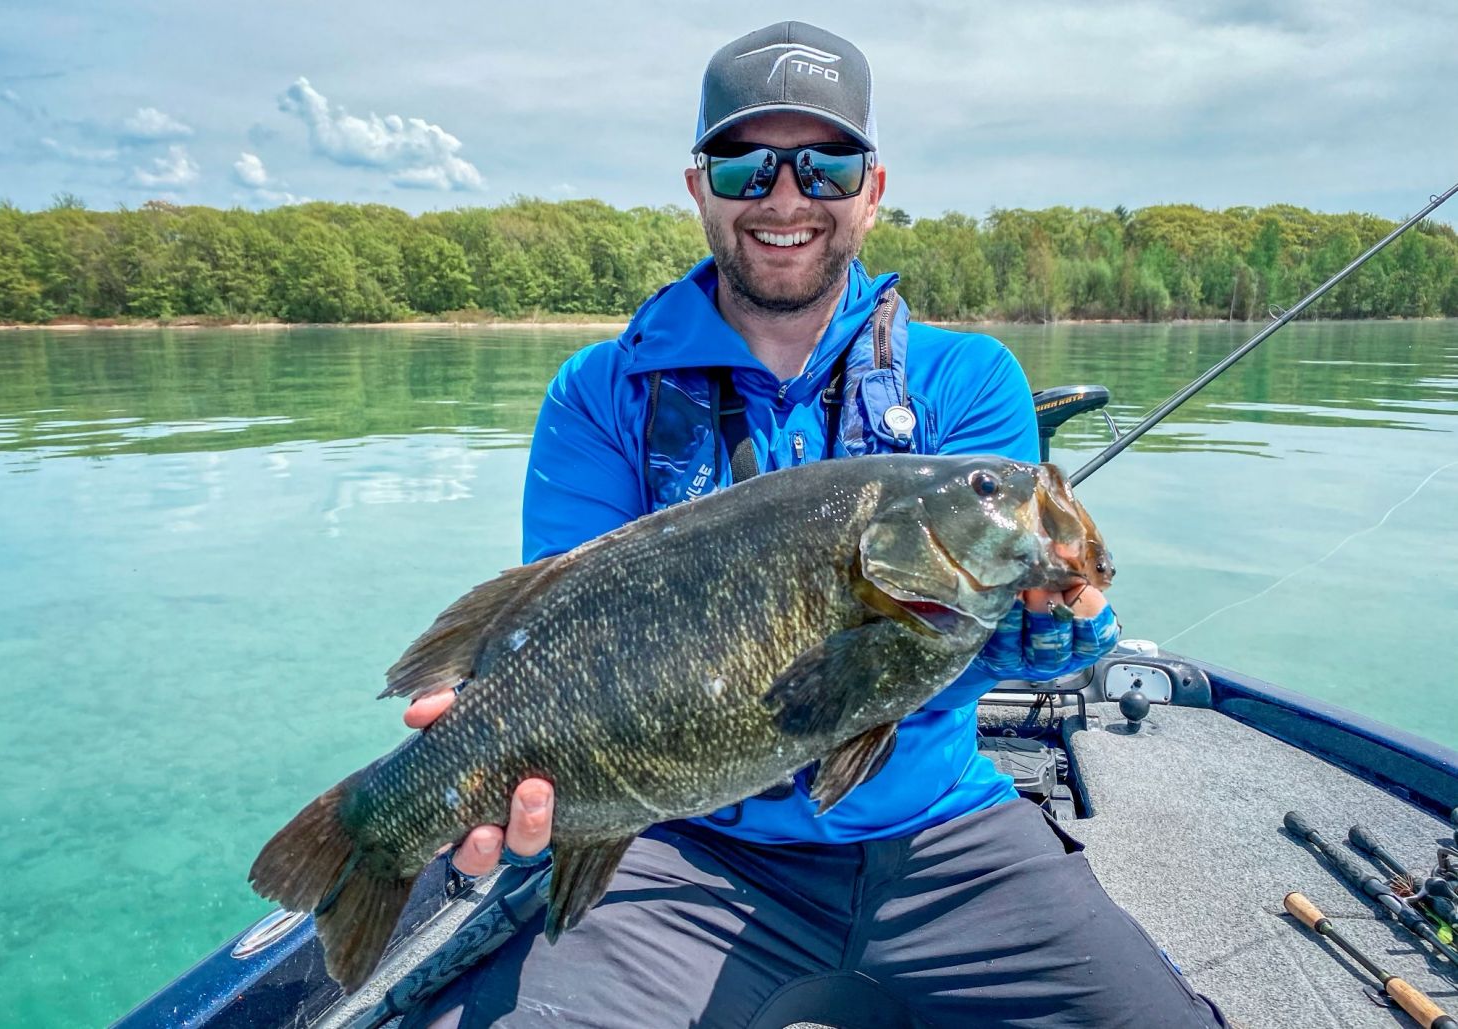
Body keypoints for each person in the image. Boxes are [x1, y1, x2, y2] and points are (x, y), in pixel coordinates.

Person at [401, 21, 1228, 1029]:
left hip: (943, 836)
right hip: (688, 845)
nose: (785, 197)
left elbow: (954, 650)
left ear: (870, 192)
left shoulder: (966, 384)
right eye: (747, 166)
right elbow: (574, 643)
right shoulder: (597, 393)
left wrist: (1049, 627)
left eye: (824, 165)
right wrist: (495, 751)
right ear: (700, 187)